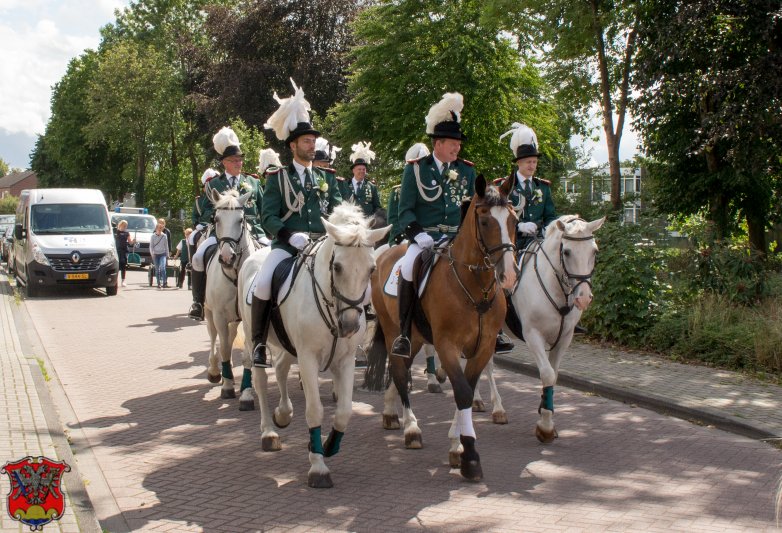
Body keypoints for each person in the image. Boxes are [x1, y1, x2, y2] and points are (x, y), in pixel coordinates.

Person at [250, 80, 342, 368]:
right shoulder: (278, 178)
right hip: (288, 247)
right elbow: (267, 217)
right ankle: (259, 343)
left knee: (353, 276)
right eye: (306, 141)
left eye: (313, 141)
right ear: (293, 145)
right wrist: (289, 236)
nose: (312, 145)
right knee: (263, 282)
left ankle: (354, 337)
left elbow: (338, 211)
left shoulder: (327, 178)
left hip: (323, 245)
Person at [391, 92, 476, 358]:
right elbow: (405, 211)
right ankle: (405, 333)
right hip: (425, 239)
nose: (457, 148)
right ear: (438, 143)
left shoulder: (467, 171)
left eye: (458, 144)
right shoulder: (416, 169)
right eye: (453, 143)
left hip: (457, 239)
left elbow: (471, 210)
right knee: (407, 268)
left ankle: (491, 330)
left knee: (488, 267)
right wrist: (417, 234)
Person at [188, 127, 266, 320]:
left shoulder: (253, 182)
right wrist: (217, 215)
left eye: (240, 159)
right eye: (234, 160)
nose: (238, 163)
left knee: (272, 256)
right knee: (198, 257)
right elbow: (206, 210)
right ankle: (198, 302)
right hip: (221, 234)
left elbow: (264, 209)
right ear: (224, 162)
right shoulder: (214, 184)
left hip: (253, 232)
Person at [499, 123, 556, 252]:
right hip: (511, 243)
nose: (532, 166)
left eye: (534, 162)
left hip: (539, 242)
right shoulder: (505, 185)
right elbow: (499, 216)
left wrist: (548, 228)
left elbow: (550, 216)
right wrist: (519, 226)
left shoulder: (543, 187)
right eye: (528, 162)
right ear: (519, 162)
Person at [387, 143, 430, 246]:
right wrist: (400, 238)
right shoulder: (398, 191)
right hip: (405, 237)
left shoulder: (434, 188)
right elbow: (393, 219)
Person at [342, 141, 383, 218]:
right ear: (353, 170)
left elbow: (377, 207)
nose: (362, 171)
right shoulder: (344, 185)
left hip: (367, 221)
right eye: (359, 169)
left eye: (364, 169)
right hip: (350, 221)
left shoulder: (372, 187)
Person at [114, 220, 134, 287]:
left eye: (126, 226)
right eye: (124, 225)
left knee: (123, 265)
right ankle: (115, 280)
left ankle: (123, 281)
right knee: (117, 266)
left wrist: (133, 241)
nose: (125, 227)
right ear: (120, 225)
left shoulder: (127, 233)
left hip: (124, 251)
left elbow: (130, 243)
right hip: (117, 251)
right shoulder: (116, 232)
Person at [150, 222, 169, 289]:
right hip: (155, 254)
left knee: (163, 268)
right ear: (156, 229)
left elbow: (166, 245)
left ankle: (164, 282)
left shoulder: (164, 236)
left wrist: (167, 254)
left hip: (162, 254)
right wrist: (152, 253)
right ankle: (158, 283)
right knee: (157, 269)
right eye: (158, 229)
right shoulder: (153, 236)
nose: (159, 230)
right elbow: (151, 246)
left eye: (161, 229)